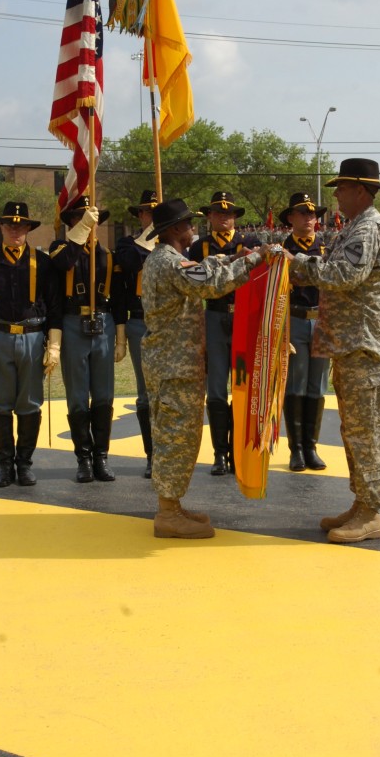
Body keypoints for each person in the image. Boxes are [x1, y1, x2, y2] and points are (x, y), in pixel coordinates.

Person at [283, 158, 380, 545]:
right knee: (354, 429)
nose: (335, 194)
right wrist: (295, 264)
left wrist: (293, 263)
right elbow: (332, 266)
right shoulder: (355, 228)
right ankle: (361, 503)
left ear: (361, 190)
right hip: (351, 346)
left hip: (365, 346)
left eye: (341, 188)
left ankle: (371, 512)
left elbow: (344, 276)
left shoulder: (369, 229)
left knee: (367, 431)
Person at [139, 198, 266, 539]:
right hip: (173, 365)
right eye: (188, 224)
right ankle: (167, 513)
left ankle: (174, 504)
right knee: (175, 437)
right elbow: (209, 285)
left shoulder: (167, 259)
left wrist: (231, 258)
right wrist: (255, 259)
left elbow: (204, 268)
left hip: (173, 363)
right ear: (176, 230)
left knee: (178, 434)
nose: (193, 229)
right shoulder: (169, 263)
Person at [0, 201, 63, 487]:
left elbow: (55, 308)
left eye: (21, 226)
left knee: (30, 404)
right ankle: (5, 465)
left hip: (32, 338)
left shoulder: (43, 264)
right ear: (1, 228)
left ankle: (25, 464)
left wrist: (53, 347)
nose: (15, 230)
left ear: (28, 229)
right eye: (10, 225)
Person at [49, 195, 127, 483]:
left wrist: (120, 336)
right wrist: (80, 232)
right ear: (71, 223)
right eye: (80, 220)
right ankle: (83, 457)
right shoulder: (59, 248)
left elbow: (118, 299)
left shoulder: (108, 254)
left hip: (103, 323)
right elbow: (64, 263)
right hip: (72, 322)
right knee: (78, 395)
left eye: (90, 220)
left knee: (104, 395)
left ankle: (101, 457)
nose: (88, 225)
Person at [189, 191, 261, 476]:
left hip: (243, 317)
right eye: (219, 213)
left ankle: (238, 452)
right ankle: (220, 453)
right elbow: (197, 281)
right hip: (215, 315)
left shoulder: (250, 243)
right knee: (216, 388)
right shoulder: (199, 248)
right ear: (209, 217)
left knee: (242, 389)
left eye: (229, 214)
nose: (225, 218)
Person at [280, 192, 330, 471]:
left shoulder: (325, 249)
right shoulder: (282, 248)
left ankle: (312, 446)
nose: (309, 219)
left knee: (318, 385)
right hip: (294, 319)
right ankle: (296, 449)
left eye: (312, 214)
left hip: (321, 320)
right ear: (290, 218)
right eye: (302, 213)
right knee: (296, 384)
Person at [115, 189, 158, 478]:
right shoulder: (128, 243)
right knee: (145, 394)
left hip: (170, 323)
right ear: (139, 215)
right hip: (139, 323)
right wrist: (150, 240)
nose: (151, 216)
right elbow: (130, 262)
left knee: (169, 394)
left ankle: (171, 454)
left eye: (157, 212)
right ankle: (152, 455)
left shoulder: (175, 243)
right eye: (147, 212)